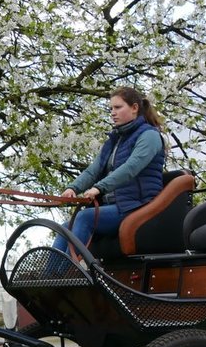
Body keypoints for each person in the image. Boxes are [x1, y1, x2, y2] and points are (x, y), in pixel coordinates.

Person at [52, 86, 166, 259]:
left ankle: (67, 274)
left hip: (137, 205)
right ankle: (48, 277)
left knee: (83, 218)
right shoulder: (115, 140)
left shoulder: (149, 136)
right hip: (116, 205)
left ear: (134, 108)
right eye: (111, 108)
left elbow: (131, 168)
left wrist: (99, 188)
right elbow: (93, 170)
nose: (113, 113)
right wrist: (73, 188)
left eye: (118, 107)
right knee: (65, 227)